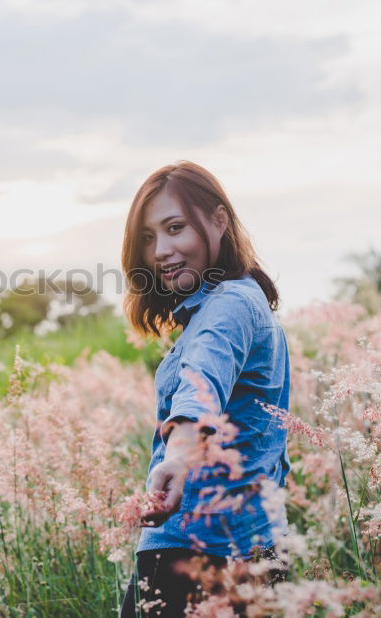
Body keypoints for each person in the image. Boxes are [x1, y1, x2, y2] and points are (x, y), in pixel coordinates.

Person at [118, 161, 292, 617]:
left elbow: (201, 386)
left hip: (192, 553)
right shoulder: (245, 301)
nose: (161, 250)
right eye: (149, 237)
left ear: (219, 220)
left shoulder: (229, 304)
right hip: (256, 548)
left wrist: (177, 455)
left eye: (175, 227)